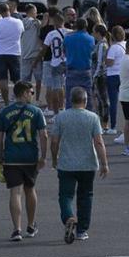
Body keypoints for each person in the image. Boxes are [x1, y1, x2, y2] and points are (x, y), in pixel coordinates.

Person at [50, 86, 109, 244]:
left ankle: (69, 217)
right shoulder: (92, 117)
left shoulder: (61, 117)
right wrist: (104, 163)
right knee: (86, 196)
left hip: (66, 163)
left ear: (70, 100)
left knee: (65, 195)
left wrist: (54, 159)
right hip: (87, 164)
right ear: (85, 100)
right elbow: (98, 142)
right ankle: (82, 230)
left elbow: (54, 141)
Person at [0, 81, 49, 242]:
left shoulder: (4, 112)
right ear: (24, 93)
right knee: (30, 189)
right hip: (30, 157)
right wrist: (43, 157)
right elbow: (44, 135)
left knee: (15, 192)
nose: (32, 95)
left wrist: (1, 155)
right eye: (31, 92)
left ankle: (16, 229)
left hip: (11, 158)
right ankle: (31, 225)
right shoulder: (36, 112)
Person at [0, 2, 25, 104]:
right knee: (17, 79)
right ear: (9, 10)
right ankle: (19, 99)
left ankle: (6, 102)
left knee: (2, 79)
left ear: (0, 12)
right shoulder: (18, 22)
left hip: (0, 53)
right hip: (15, 52)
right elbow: (22, 33)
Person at [64, 18, 96, 110]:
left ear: (75, 26)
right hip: (86, 70)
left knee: (70, 96)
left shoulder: (68, 38)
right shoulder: (91, 39)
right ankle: (88, 117)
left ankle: (70, 118)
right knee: (88, 96)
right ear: (86, 26)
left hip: (71, 70)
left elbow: (64, 51)